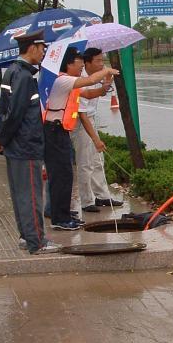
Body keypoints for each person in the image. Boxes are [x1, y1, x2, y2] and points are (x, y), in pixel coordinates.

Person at [0, 29, 60, 254]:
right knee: (31, 196)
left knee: (21, 194)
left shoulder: (12, 72)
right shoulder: (23, 76)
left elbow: (3, 111)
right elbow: (16, 113)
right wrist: (0, 137)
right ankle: (37, 242)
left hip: (16, 147)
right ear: (32, 48)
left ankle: (26, 236)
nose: (43, 53)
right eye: (42, 49)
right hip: (26, 146)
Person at [43, 47, 119, 230]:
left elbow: (90, 92)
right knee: (61, 175)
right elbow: (91, 81)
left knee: (65, 174)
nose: (81, 67)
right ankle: (59, 217)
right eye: (79, 63)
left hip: (60, 131)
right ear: (69, 64)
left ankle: (62, 213)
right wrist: (107, 70)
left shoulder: (69, 82)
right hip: (54, 131)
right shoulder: (62, 80)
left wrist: (105, 85)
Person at [72, 48, 124, 217]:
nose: (102, 64)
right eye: (98, 61)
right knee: (85, 162)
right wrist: (95, 139)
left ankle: (102, 196)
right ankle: (87, 201)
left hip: (90, 119)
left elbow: (100, 93)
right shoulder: (80, 80)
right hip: (80, 122)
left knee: (97, 160)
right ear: (87, 63)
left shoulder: (96, 77)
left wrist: (107, 79)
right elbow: (82, 113)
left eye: (103, 60)